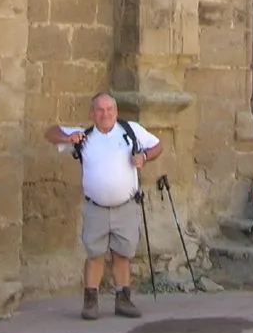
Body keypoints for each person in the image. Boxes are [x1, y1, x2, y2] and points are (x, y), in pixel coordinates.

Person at [45, 93, 164, 320]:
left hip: (125, 206)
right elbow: (50, 133)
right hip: (96, 207)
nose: (105, 114)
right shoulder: (84, 136)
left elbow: (158, 145)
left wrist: (145, 157)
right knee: (95, 254)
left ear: (116, 112)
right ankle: (91, 302)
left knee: (122, 254)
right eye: (100, 110)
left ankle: (123, 299)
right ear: (92, 114)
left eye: (109, 109)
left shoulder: (131, 131)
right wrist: (67, 140)